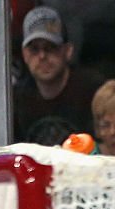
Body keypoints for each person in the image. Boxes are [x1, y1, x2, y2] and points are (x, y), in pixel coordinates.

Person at [13, 6, 103, 143]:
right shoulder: (16, 98)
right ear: (24, 54)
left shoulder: (93, 91)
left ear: (68, 51)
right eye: (34, 49)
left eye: (50, 47)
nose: (42, 56)